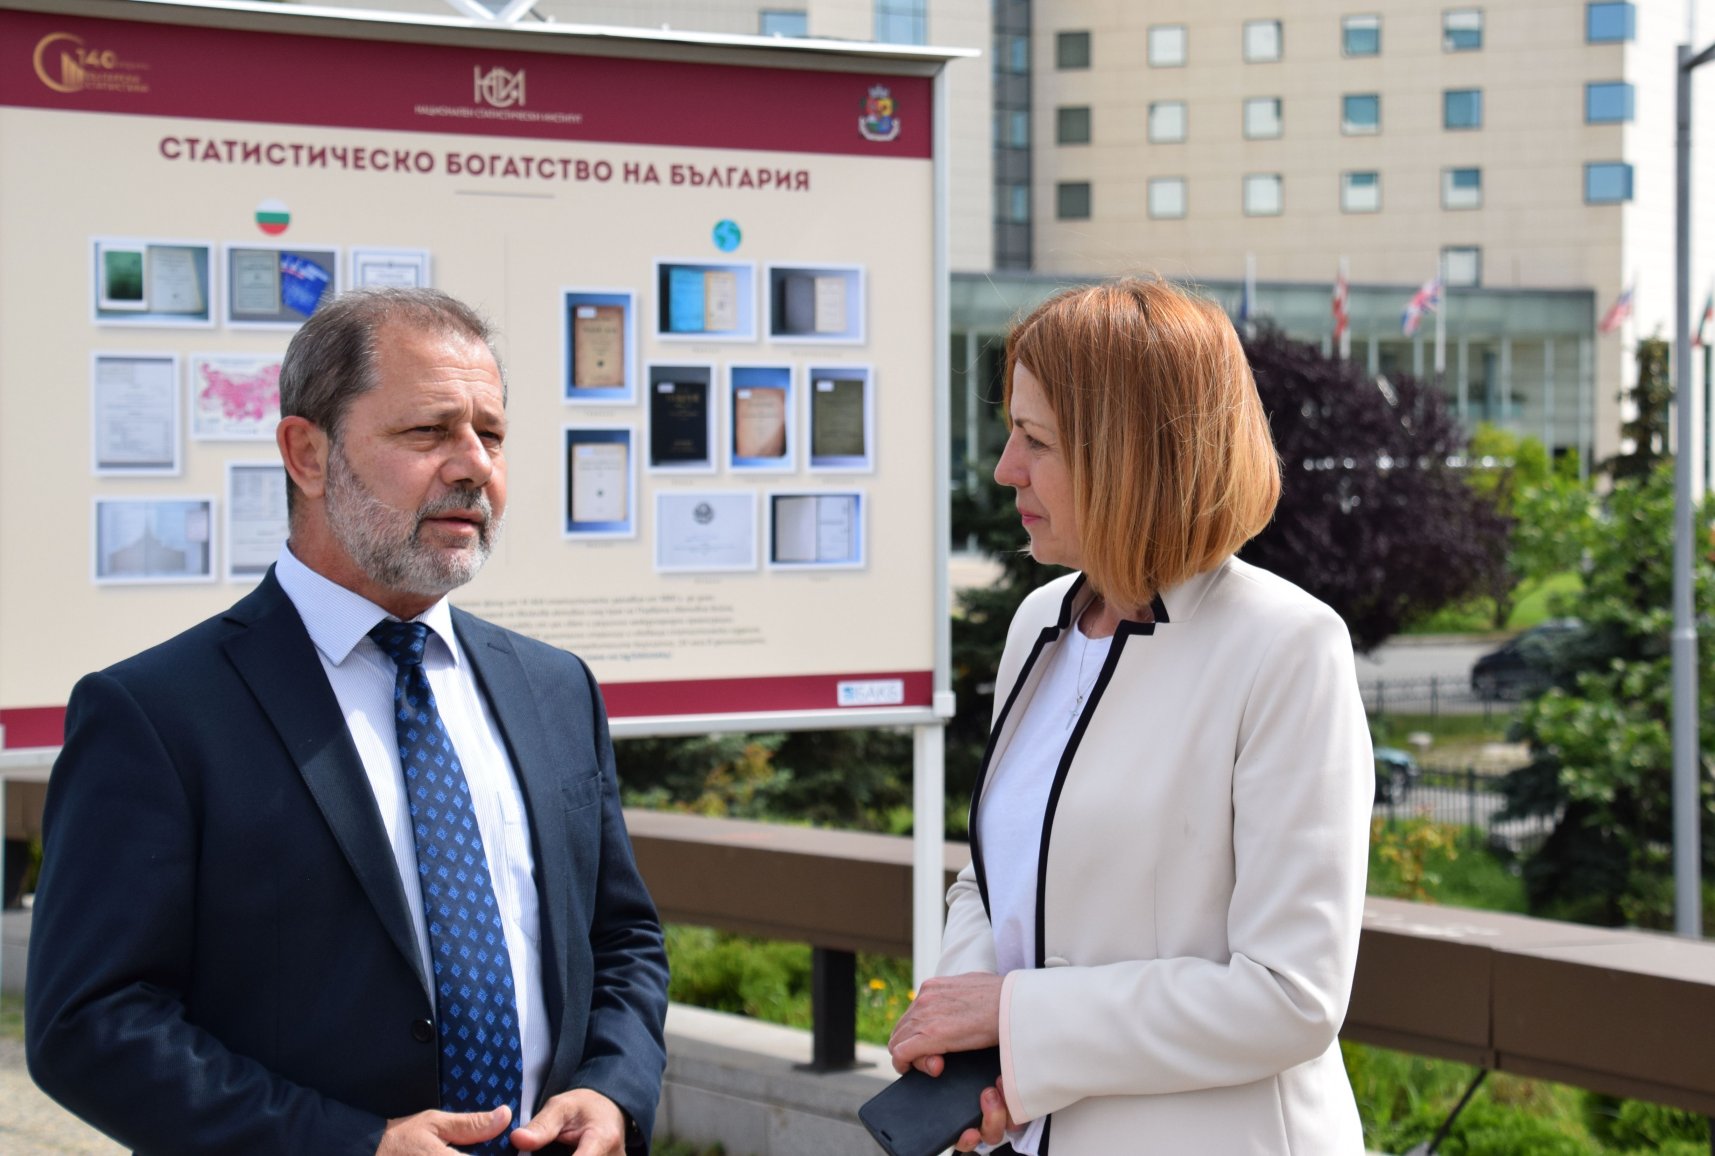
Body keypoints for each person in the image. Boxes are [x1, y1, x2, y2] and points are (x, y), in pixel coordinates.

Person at [26, 288, 669, 1156]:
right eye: (428, 431)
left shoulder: (553, 687)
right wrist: (350, 1144)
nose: (473, 466)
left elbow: (620, 938)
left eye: (491, 435)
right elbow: (89, 1021)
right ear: (307, 453)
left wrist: (611, 1087)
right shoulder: (157, 713)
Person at [887, 278, 1373, 1154]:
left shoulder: (1287, 647)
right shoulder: (1039, 623)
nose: (1005, 468)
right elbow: (992, 880)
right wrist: (969, 1051)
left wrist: (1017, 1019)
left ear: (1130, 458)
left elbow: (1290, 996)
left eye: (1036, 440)